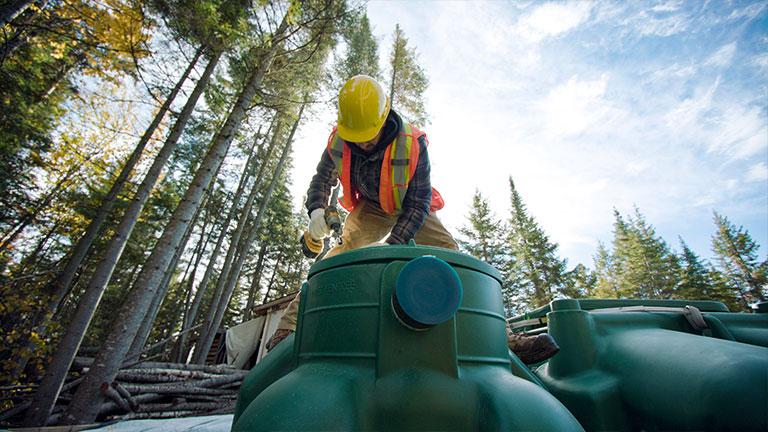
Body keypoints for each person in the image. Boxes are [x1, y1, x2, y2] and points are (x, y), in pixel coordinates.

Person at [266, 75, 559, 365]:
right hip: (372, 206)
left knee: (451, 256)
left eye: (369, 134)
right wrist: (316, 209)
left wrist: (394, 247)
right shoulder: (341, 140)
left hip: (413, 205)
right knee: (342, 252)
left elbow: (418, 203)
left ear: (384, 117)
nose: (364, 143)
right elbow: (322, 179)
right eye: (357, 136)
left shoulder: (413, 144)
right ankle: (287, 328)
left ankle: (503, 337)